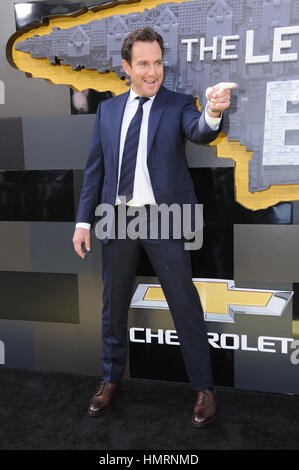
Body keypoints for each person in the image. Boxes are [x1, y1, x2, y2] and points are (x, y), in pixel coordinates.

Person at [73, 27, 236, 428]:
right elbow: (95, 170)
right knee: (113, 307)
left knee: (184, 304)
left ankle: (204, 389)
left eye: (158, 63)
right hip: (118, 219)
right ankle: (110, 380)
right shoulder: (108, 111)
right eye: (143, 63)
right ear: (126, 67)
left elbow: (199, 131)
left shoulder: (178, 103)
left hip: (165, 218)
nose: (153, 72)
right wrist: (82, 221)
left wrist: (212, 110)